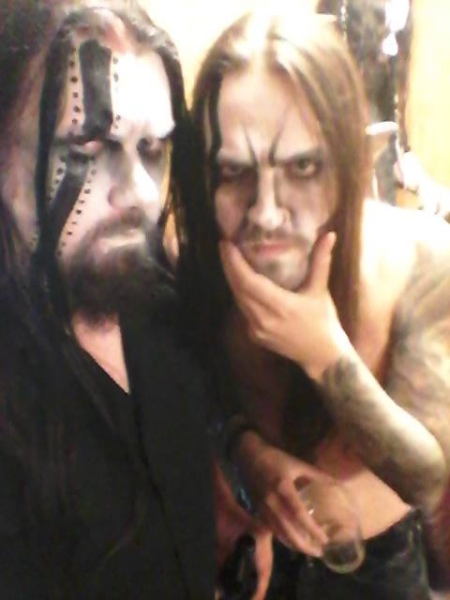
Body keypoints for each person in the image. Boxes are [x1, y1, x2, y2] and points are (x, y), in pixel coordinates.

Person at [180, 10, 450, 599]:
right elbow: (193, 384)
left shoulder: (422, 261)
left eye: (302, 167)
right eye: (234, 171)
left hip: (377, 566)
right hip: (254, 545)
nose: (266, 212)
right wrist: (249, 457)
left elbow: (428, 479)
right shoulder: (202, 259)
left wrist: (324, 353)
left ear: (348, 164)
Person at [0, 1, 218, 597]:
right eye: (87, 151)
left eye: (153, 149)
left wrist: (243, 473)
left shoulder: (157, 298)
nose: (142, 194)